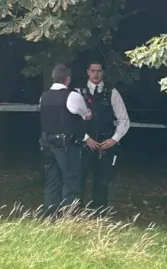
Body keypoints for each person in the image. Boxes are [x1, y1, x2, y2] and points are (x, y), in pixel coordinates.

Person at [76, 60, 130, 214]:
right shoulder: (78, 92)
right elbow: (72, 120)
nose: (96, 74)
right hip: (83, 144)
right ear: (88, 72)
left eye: (99, 71)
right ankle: (75, 214)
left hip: (105, 145)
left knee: (102, 182)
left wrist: (114, 139)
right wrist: (86, 138)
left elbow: (124, 120)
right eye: (93, 71)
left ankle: (98, 214)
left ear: (103, 72)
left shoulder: (112, 92)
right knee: (79, 180)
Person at [39, 63, 92, 218]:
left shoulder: (44, 96)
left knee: (52, 182)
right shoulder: (72, 95)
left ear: (52, 77)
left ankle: (50, 216)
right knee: (71, 181)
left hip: (47, 145)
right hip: (66, 146)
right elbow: (85, 114)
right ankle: (70, 217)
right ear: (68, 79)